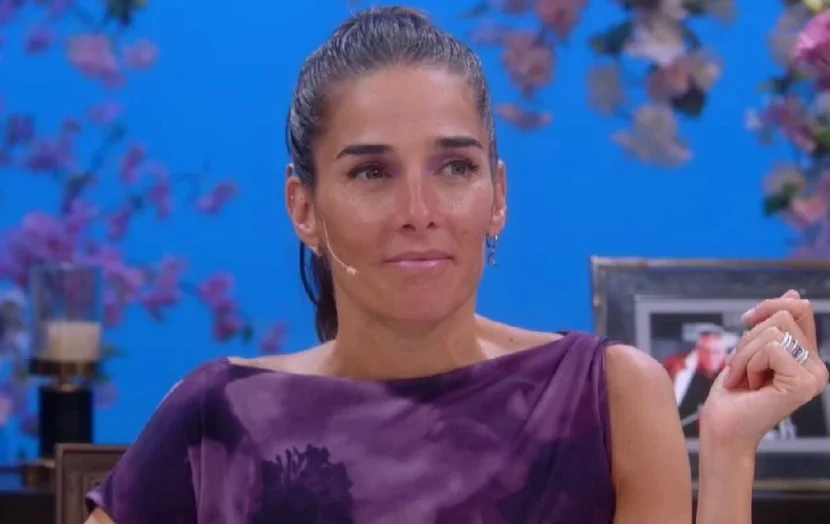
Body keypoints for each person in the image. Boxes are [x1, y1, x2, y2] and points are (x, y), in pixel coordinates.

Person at [84, 7, 829, 524]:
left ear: (498, 195)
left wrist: (729, 450)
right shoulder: (216, 413)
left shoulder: (609, 396)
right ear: (303, 207)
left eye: (454, 167)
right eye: (371, 172)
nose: (419, 210)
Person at [661, 324, 734, 437]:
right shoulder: (678, 367)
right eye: (706, 351)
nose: (711, 358)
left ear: (724, 352)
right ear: (698, 351)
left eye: (716, 352)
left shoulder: (733, 372)